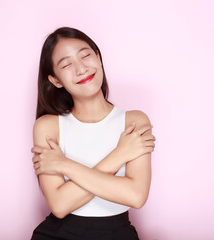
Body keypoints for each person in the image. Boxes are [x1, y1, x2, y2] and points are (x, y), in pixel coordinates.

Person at [30, 27, 155, 240]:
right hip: (58, 234)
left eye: (86, 55)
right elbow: (60, 205)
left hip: (117, 233)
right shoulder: (48, 126)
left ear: (98, 57)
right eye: (67, 65)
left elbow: (136, 196)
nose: (81, 69)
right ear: (55, 80)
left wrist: (63, 164)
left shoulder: (135, 121)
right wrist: (119, 155)